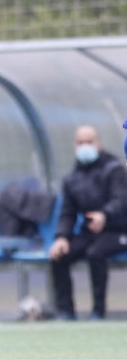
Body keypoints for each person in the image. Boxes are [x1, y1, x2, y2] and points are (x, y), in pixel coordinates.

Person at [48, 124, 127, 320]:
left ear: (98, 143)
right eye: (80, 142)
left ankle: (98, 311)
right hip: (90, 232)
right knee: (59, 255)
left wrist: (105, 215)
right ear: (74, 145)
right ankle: (65, 311)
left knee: (95, 254)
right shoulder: (71, 178)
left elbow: (120, 199)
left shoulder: (115, 169)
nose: (85, 146)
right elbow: (67, 212)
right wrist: (61, 237)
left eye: (89, 142)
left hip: (118, 230)